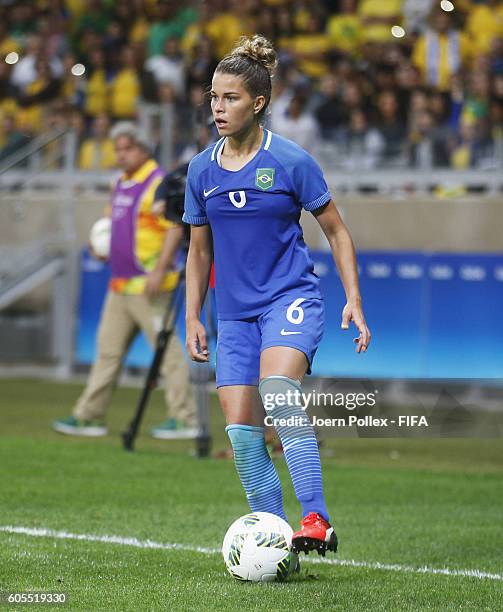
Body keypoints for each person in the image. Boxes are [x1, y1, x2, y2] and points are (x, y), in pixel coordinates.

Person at [183, 35, 371, 556]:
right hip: (235, 316)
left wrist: (352, 298)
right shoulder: (201, 170)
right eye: (214, 97)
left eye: (231, 98)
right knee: (242, 435)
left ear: (258, 102)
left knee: (279, 392)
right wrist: (193, 316)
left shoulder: (291, 161)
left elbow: (336, 231)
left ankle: (316, 518)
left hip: (290, 298)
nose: (218, 108)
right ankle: (273, 535)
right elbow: (199, 252)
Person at [53, 121, 197, 439]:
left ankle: (185, 419)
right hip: (120, 284)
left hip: (150, 284)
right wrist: (99, 245)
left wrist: (160, 269)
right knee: (107, 354)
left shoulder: (157, 183)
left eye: (127, 148)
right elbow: (112, 222)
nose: (121, 155)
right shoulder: (120, 181)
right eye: (117, 149)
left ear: (144, 149)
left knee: (167, 354)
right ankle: (89, 416)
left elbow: (174, 227)